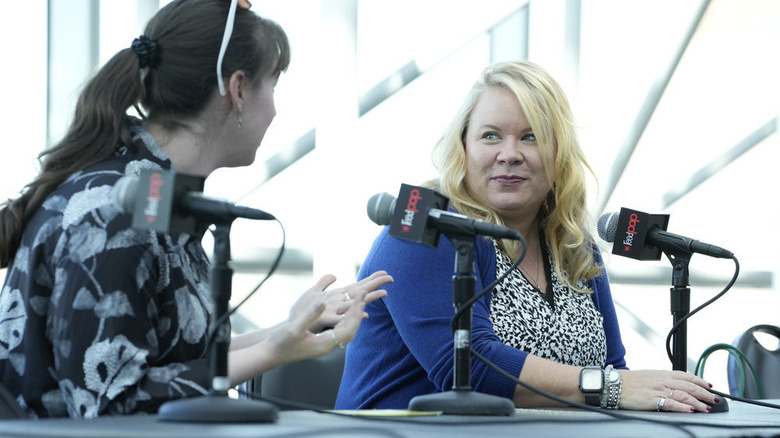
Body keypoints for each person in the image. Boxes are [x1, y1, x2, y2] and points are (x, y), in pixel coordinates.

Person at [0, 0, 392, 419]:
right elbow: (111, 402)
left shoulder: (154, 197)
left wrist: (288, 330)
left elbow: (173, 360)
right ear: (238, 90)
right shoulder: (116, 211)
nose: (276, 109)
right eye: (273, 87)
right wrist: (274, 350)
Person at [335, 61, 719, 413]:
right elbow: (469, 369)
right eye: (490, 136)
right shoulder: (425, 228)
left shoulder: (573, 245)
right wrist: (611, 386)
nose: (510, 154)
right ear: (463, 146)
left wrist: (665, 396)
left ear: (558, 154)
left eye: (531, 137)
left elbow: (613, 368)